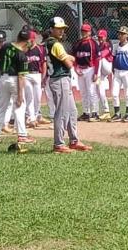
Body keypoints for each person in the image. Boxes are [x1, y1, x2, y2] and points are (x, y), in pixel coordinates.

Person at [45, 17, 92, 153]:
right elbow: (69, 63)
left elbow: (68, 59)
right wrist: (69, 57)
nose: (61, 31)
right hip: (59, 79)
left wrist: (68, 57)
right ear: (51, 29)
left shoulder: (51, 43)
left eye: (62, 28)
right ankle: (58, 144)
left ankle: (74, 140)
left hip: (61, 79)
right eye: (58, 28)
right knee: (62, 112)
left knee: (72, 111)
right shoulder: (56, 44)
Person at [0, 29, 35, 145]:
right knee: (19, 107)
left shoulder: (5, 46)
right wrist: (20, 95)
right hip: (15, 79)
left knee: (1, 107)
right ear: (27, 41)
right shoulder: (22, 55)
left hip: (3, 78)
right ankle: (22, 135)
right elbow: (21, 77)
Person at [73, 23, 100, 122]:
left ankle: (95, 113)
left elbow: (97, 59)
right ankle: (86, 112)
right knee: (83, 92)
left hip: (90, 69)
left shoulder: (93, 43)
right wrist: (76, 68)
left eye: (86, 31)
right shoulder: (78, 43)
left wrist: (96, 73)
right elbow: (74, 57)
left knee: (91, 91)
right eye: (83, 31)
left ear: (89, 32)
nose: (84, 33)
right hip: (80, 69)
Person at [23, 30, 47, 128]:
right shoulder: (24, 50)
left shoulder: (40, 49)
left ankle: (36, 116)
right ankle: (31, 118)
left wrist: (43, 76)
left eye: (30, 39)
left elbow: (44, 64)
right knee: (30, 97)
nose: (28, 41)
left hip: (37, 74)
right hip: (27, 75)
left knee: (37, 98)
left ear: (33, 39)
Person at [96, 29, 113, 120]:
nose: (100, 39)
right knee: (100, 91)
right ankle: (106, 111)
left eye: (101, 37)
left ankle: (97, 76)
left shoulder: (107, 44)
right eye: (99, 37)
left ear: (105, 37)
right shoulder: (99, 45)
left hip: (108, 67)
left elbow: (102, 55)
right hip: (102, 71)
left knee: (99, 59)